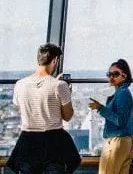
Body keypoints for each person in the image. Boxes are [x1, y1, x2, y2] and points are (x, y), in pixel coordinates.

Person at [6, 43, 81, 174]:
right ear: (55, 60)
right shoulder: (60, 86)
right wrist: (66, 93)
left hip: (27, 142)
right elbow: (68, 116)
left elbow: (20, 108)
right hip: (52, 143)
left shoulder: (20, 85)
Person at [88, 59, 133, 174]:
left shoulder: (122, 93)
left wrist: (101, 108)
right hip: (124, 141)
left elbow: (120, 120)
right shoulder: (123, 92)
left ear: (124, 76)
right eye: (109, 74)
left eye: (115, 74)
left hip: (117, 141)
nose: (111, 77)